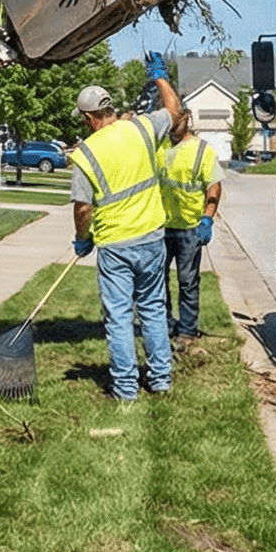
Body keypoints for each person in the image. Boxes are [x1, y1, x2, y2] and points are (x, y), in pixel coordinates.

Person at [70, 58, 186, 401]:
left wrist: (82, 239)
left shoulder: (86, 153)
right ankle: (161, 379)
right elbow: (175, 110)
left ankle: (125, 388)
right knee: (152, 308)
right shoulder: (142, 129)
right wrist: (161, 78)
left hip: (115, 245)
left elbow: (83, 209)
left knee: (119, 316)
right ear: (110, 109)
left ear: (89, 118)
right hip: (152, 237)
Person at [157, 124, 223, 340]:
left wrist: (207, 218)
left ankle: (187, 330)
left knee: (188, 281)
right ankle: (164, 327)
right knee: (158, 280)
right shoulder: (160, 147)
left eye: (178, 119)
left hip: (190, 228)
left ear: (186, 119)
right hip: (161, 227)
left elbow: (214, 186)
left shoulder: (203, 150)